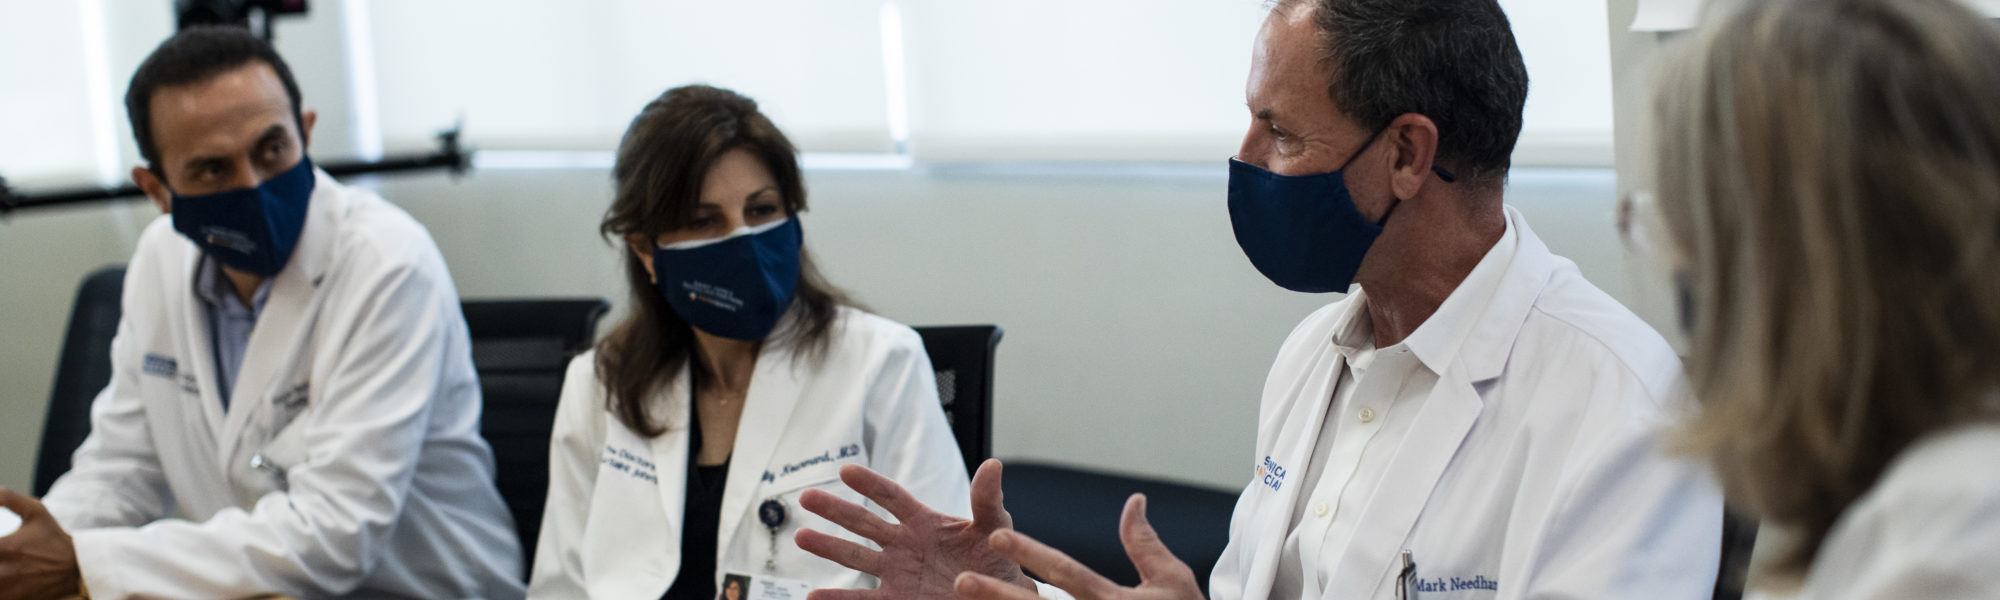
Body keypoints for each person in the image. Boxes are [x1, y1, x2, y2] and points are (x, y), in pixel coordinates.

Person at [793, 1, 1724, 598]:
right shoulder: (1316, 353)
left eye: (1277, 132)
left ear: (1406, 155)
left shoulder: (1621, 409)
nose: (1242, 160)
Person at [0, 26, 523, 599]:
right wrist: (30, 549)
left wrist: (84, 562)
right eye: (212, 170)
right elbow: (121, 470)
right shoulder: (159, 260)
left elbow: (335, 534)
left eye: (271, 150)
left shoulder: (387, 263)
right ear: (157, 189)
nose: (251, 185)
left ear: (306, 133)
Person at [527, 84, 971, 599]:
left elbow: (947, 583)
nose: (743, 242)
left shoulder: (880, 363)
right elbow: (560, 587)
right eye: (704, 221)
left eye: (760, 211)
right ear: (647, 251)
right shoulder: (599, 380)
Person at [1651, 0, 2000, 597]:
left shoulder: (1943, 549)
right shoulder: (1917, 496)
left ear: (1782, 274)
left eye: (1688, 239)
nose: (1676, 268)